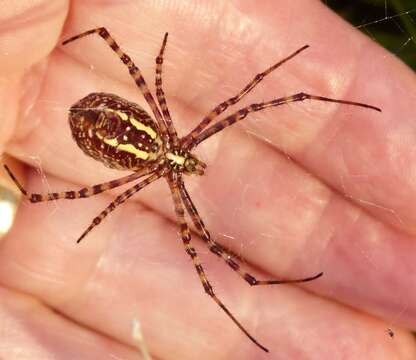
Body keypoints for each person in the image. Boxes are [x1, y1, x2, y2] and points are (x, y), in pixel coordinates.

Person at [0, 1, 415, 358]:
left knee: (198, 228)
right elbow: (156, 70)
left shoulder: (166, 162)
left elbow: (153, 71)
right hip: (115, 122)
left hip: (129, 139)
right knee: (237, 114)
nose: (191, 166)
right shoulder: (172, 147)